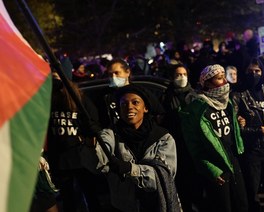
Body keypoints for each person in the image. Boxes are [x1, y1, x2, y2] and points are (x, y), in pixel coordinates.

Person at [100, 84, 181, 212]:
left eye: (135, 102)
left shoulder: (163, 138)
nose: (129, 107)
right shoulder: (111, 134)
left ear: (146, 108)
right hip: (124, 207)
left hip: (156, 206)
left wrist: (131, 169)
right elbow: (98, 161)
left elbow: (162, 178)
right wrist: (92, 145)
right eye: (124, 104)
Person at [180, 64, 248, 212]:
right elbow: (194, 147)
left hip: (233, 160)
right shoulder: (195, 109)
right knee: (223, 206)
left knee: (241, 203)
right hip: (216, 165)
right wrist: (212, 170)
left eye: (224, 77)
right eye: (219, 78)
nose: (224, 82)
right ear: (207, 83)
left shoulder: (226, 103)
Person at [45, 71, 102, 212]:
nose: (56, 83)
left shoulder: (80, 99)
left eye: (58, 78)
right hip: (60, 159)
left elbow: (93, 124)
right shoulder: (48, 100)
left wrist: (85, 139)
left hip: (81, 156)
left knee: (90, 195)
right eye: (53, 79)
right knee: (68, 199)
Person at [232, 58, 264, 212]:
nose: (254, 74)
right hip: (251, 151)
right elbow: (235, 128)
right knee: (251, 192)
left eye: (257, 71)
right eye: (250, 71)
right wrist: (257, 131)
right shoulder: (237, 94)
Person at [161, 64, 201, 211]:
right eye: (178, 75)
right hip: (177, 146)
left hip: (194, 146)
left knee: (196, 184)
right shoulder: (166, 96)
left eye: (184, 74)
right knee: (183, 184)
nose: (181, 77)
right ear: (172, 77)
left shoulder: (194, 95)